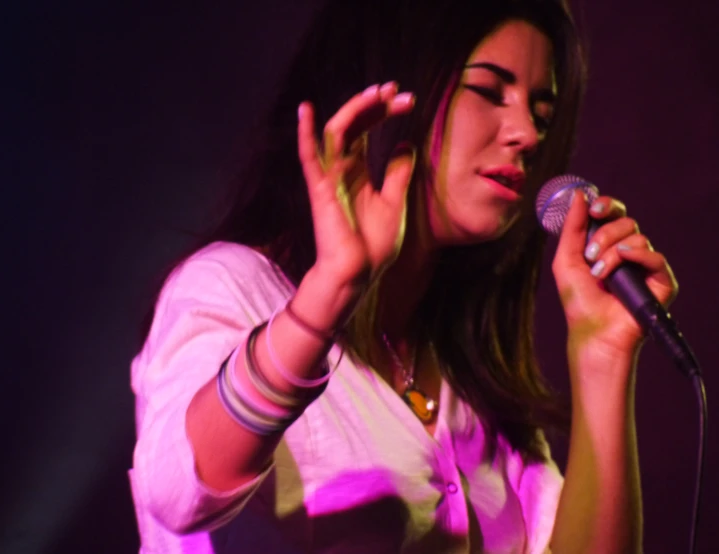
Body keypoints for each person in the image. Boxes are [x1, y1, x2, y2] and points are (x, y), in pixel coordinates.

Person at [129, 0, 678, 552]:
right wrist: (329, 294)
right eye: (489, 91)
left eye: (540, 111)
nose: (527, 134)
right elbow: (177, 492)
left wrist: (602, 356)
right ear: (391, 89)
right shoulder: (233, 286)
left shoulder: (477, 385)